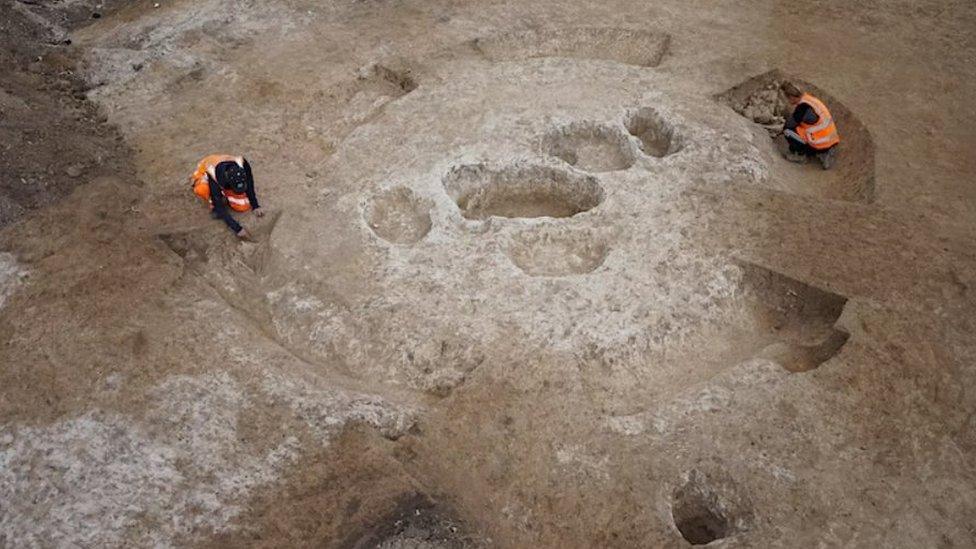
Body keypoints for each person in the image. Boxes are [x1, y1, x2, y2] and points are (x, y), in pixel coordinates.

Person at [190, 154, 264, 239]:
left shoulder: (242, 165)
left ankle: (225, 195)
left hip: (224, 170)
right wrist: (237, 229)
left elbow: (250, 184)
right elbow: (219, 205)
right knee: (202, 190)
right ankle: (201, 188)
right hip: (205, 170)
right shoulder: (213, 174)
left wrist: (255, 205)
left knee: (242, 206)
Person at [780, 82, 840, 170]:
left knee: (787, 131)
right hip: (831, 138)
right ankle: (826, 151)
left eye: (787, 98)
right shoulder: (809, 100)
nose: (788, 101)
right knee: (797, 128)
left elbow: (789, 124)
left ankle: (801, 155)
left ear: (791, 97)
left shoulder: (802, 109)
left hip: (820, 143)